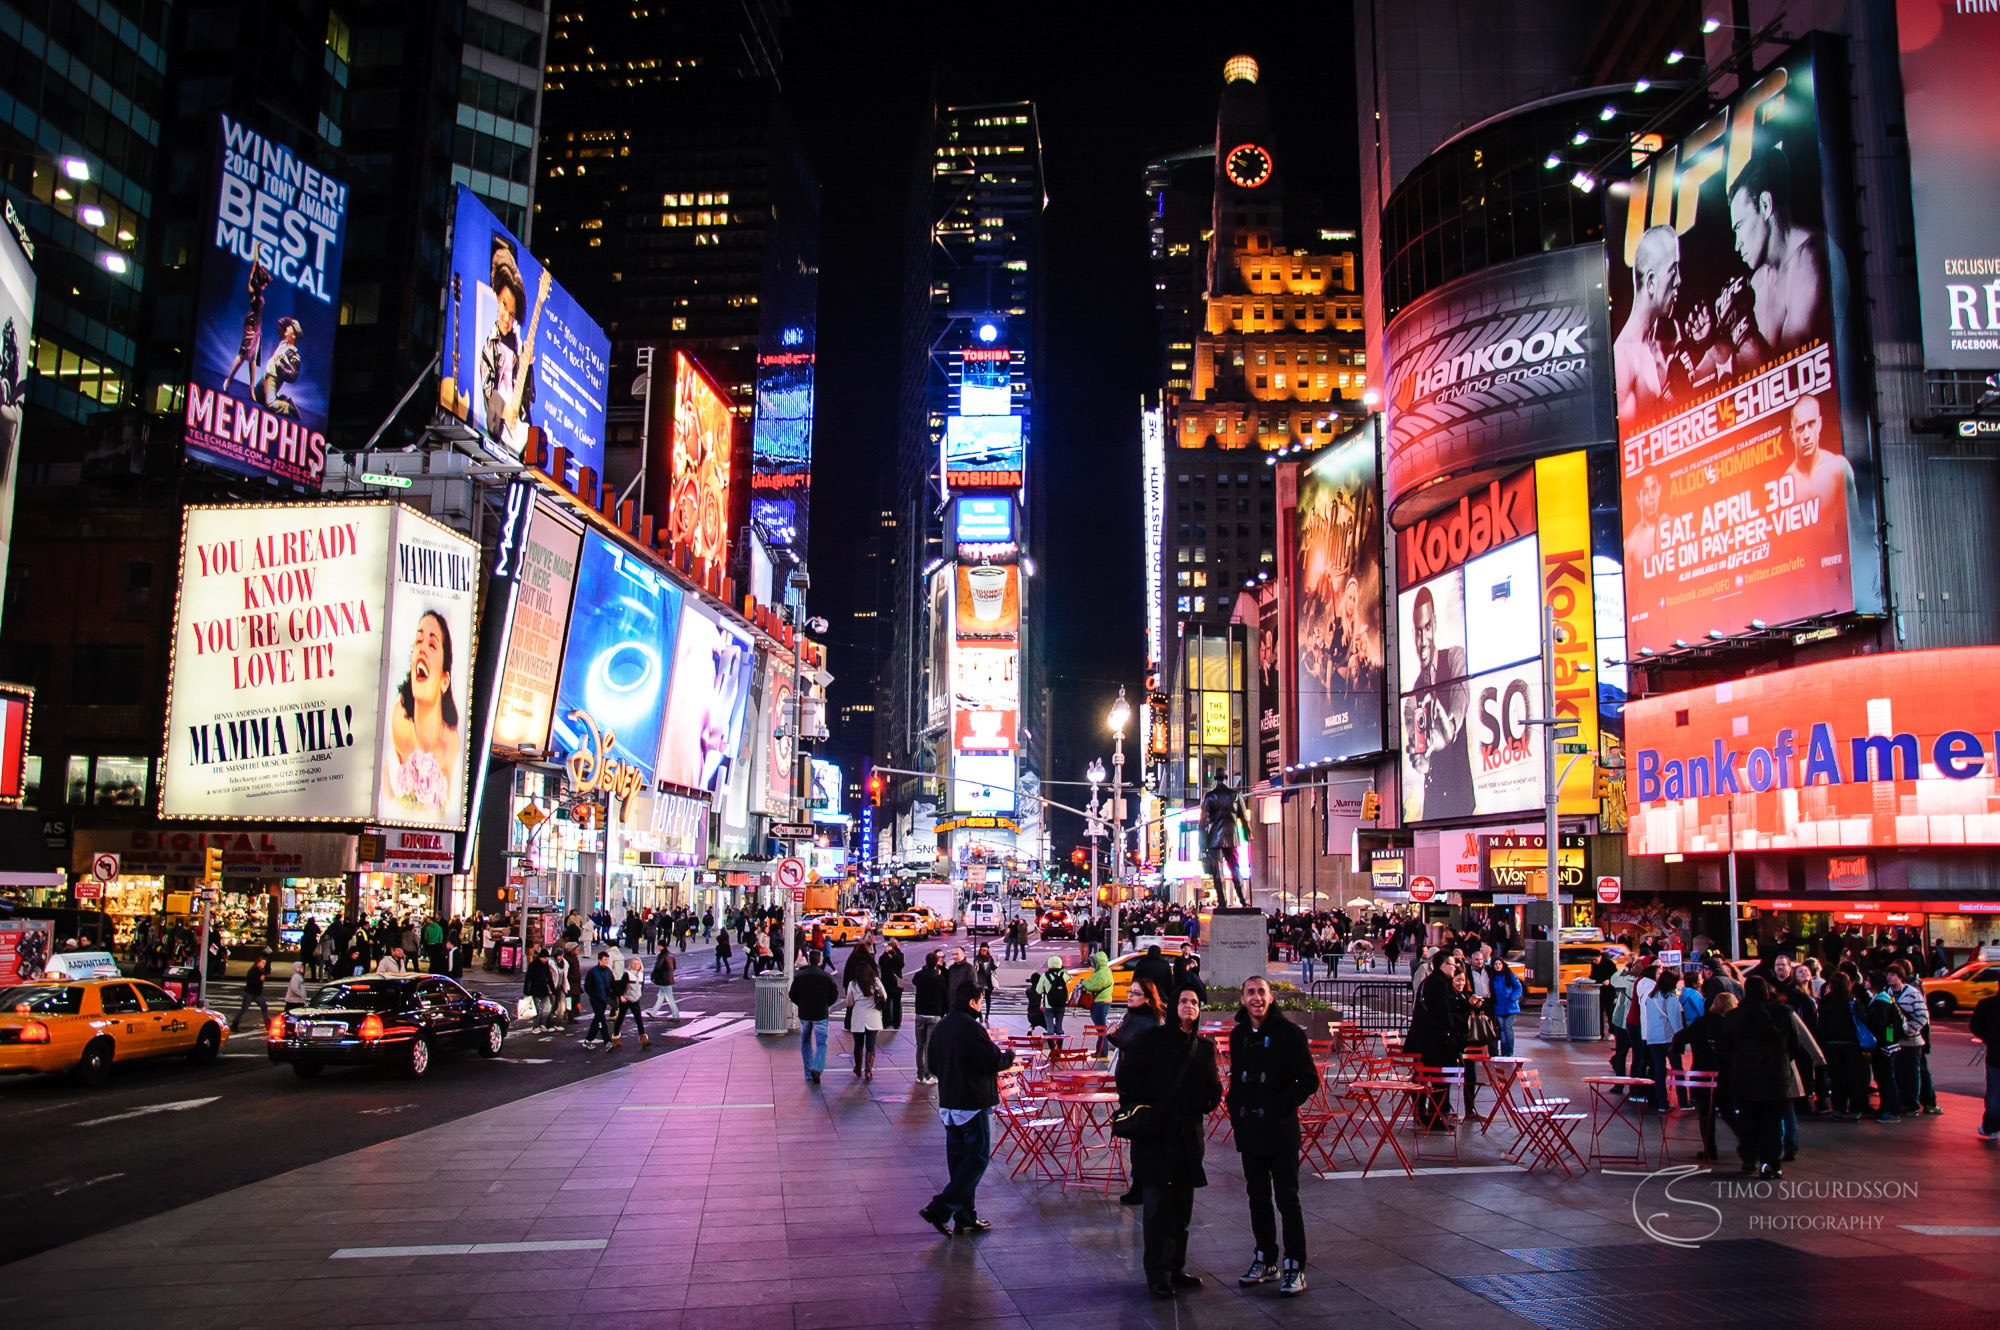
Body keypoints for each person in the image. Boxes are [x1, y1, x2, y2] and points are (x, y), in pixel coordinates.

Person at [1117, 986, 1222, 1300]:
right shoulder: (1152, 1040)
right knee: (1157, 1210)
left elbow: (1213, 1088)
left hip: (1188, 1138)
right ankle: (1158, 1274)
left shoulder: (1203, 1047)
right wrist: (1145, 1107)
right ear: (1174, 1004)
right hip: (1156, 1137)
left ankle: (1177, 1267)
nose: (1190, 1006)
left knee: (1182, 1209)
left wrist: (1203, 1102)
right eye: (1184, 1001)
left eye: (1195, 1002)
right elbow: (1128, 1077)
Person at [1227, 975, 1318, 1295]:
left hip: (1280, 1131)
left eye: (1261, 992)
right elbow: (1236, 1081)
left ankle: (1295, 1265)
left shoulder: (1289, 1034)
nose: (1256, 998)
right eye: (1250, 992)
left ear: (1271, 997)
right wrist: (1235, 1112)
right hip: (1250, 1131)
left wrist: (1278, 1105)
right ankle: (1265, 1257)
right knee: (1257, 1198)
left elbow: (1309, 1081)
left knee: (1287, 1199)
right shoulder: (1238, 1036)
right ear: (1242, 999)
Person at [918, 983, 1015, 1238]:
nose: (981, 1005)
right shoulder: (972, 1029)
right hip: (972, 1103)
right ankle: (941, 1208)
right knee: (977, 1159)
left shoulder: (942, 1027)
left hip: (949, 1103)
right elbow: (993, 1060)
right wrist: (1009, 1056)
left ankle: (965, 1216)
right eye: (981, 1000)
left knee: (959, 1161)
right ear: (973, 1002)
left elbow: (933, 1065)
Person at [1721, 976, 1824, 1178]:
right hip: (1776, 1077)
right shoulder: (1783, 1012)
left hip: (1745, 1077)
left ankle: (1749, 1157)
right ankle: (1770, 1163)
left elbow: (1726, 1048)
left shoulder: (1735, 1016)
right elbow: (1794, 1045)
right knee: (1773, 1123)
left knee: (1748, 1119)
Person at [1402, 585, 1473, 821]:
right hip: (1433, 811)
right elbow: (1419, 745)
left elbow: (1460, 697)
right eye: (1418, 631)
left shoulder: (1454, 658)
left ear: (1435, 625)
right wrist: (1422, 762)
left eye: (1427, 628)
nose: (1422, 640)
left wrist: (1450, 725)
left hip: (1462, 806)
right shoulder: (1411, 697)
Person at [381, 611, 460, 819]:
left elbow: (448, 816)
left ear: (444, 681)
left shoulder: (451, 743)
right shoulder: (397, 719)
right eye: (418, 641)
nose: (422, 649)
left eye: (432, 645)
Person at [1614, 224, 1682, 423]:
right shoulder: (1624, 357)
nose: (1679, 280)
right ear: (1651, 282)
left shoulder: (1660, 343)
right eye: (1673, 271)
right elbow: (1631, 440)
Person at [1672, 990, 1736, 1160]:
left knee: (1705, 1114)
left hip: (1703, 1074)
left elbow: (1680, 1036)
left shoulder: (1703, 1022)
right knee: (1729, 1112)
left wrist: (1677, 1049)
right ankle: (1748, 1145)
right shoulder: (1733, 1023)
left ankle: (1710, 1149)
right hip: (1726, 1074)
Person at [1406, 951, 1466, 1128]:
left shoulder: (1429, 982)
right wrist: (1452, 1032)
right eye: (1453, 965)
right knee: (1439, 1080)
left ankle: (1422, 1113)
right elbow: (1442, 1013)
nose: (1455, 968)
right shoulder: (1439, 983)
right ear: (1443, 965)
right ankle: (1434, 1117)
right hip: (1434, 1042)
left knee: (1422, 1077)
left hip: (1423, 1039)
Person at [1199, 775, 1252, 908]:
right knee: (1235, 868)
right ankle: (1243, 901)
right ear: (1226, 779)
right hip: (1231, 836)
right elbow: (1243, 818)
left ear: (1215, 780)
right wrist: (1247, 835)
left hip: (1214, 839)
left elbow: (1203, 822)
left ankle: (1222, 902)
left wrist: (1202, 843)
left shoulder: (1209, 796)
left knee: (1217, 872)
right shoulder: (1236, 795)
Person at [789, 953, 840, 1084]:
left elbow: (792, 994)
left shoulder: (800, 976)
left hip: (805, 1013)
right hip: (820, 1013)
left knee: (805, 1042)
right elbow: (834, 995)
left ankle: (807, 1073)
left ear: (809, 960)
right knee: (822, 1043)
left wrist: (801, 1003)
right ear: (819, 961)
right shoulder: (826, 977)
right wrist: (826, 1004)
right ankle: (816, 1067)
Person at [846, 952, 888, 1082]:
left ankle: (858, 1067)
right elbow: (885, 996)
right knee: (871, 1045)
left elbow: (849, 1002)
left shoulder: (853, 984)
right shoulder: (875, 981)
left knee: (858, 1045)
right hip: (873, 1017)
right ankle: (868, 1070)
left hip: (858, 1016)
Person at [912, 950, 950, 1084]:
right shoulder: (939, 978)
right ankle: (928, 1075)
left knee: (920, 1045)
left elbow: (915, 980)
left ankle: (920, 1074)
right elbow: (944, 994)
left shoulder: (919, 975)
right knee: (930, 1045)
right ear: (936, 964)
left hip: (920, 1013)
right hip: (934, 1014)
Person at [1971, 985, 2000, 1142]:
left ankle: (1991, 1127)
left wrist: (1988, 1038)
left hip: (1995, 1054)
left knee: (1994, 1092)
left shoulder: (1986, 1005)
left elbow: (1975, 1026)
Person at [609, 956, 650, 1049]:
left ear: (640, 965)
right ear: (631, 965)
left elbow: (641, 987)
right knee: (621, 1017)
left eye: (638, 964)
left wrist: (639, 995)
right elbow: (621, 987)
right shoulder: (627, 974)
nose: (636, 965)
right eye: (634, 964)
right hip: (626, 999)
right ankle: (615, 1037)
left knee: (638, 1018)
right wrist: (621, 996)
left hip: (635, 999)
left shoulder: (641, 975)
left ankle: (643, 1038)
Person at [1489, 955, 1523, 1058]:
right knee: (1502, 1029)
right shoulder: (1492, 977)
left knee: (1508, 1028)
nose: (1498, 966)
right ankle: (1504, 1053)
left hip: (1510, 1007)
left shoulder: (1510, 975)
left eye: (1499, 964)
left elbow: (1518, 988)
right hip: (1498, 1007)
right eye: (1495, 964)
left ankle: (1509, 1052)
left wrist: (1512, 998)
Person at [1082, 951, 1116, 1055]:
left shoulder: (1102, 973)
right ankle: (1100, 1051)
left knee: (1101, 1029)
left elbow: (1094, 986)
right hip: (1100, 1001)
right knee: (1100, 1028)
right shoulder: (1104, 971)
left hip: (1100, 1002)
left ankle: (1102, 1052)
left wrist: (1084, 982)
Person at [580, 951, 616, 1049]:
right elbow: (587, 986)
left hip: (604, 998)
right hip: (596, 999)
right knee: (602, 1021)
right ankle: (607, 1042)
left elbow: (612, 984)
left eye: (607, 960)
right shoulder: (593, 972)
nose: (606, 962)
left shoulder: (608, 971)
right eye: (605, 960)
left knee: (597, 1020)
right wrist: (594, 996)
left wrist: (618, 994)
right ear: (599, 960)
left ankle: (588, 1040)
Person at [231, 950, 273, 1032]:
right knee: (244, 1009)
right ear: (258, 963)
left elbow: (268, 969)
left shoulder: (262, 970)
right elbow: (251, 982)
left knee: (264, 1007)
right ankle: (234, 1024)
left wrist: (269, 957)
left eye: (264, 963)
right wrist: (259, 979)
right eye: (262, 963)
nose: (263, 964)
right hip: (249, 993)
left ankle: (268, 1024)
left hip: (257, 994)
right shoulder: (253, 971)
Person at [1032, 955, 1069, 1036]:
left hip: (1048, 1004)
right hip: (1061, 1004)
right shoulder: (1065, 975)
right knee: (1059, 1027)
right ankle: (1059, 1045)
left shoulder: (1045, 976)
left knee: (1050, 1027)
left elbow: (1038, 990)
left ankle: (1051, 1044)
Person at [524, 943, 558, 1031]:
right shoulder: (533, 965)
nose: (546, 960)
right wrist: (526, 990)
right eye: (545, 958)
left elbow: (549, 978)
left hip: (543, 989)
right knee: (536, 1010)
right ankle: (536, 1026)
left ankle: (542, 1023)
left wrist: (553, 989)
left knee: (548, 1007)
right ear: (540, 957)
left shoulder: (545, 965)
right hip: (534, 990)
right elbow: (528, 978)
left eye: (547, 958)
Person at [649, 946, 681, 1019]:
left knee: (670, 998)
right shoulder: (671, 955)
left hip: (664, 979)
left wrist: (653, 975)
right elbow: (674, 967)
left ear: (661, 946)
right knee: (661, 996)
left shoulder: (662, 955)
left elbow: (658, 967)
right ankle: (653, 1013)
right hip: (669, 978)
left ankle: (676, 1015)